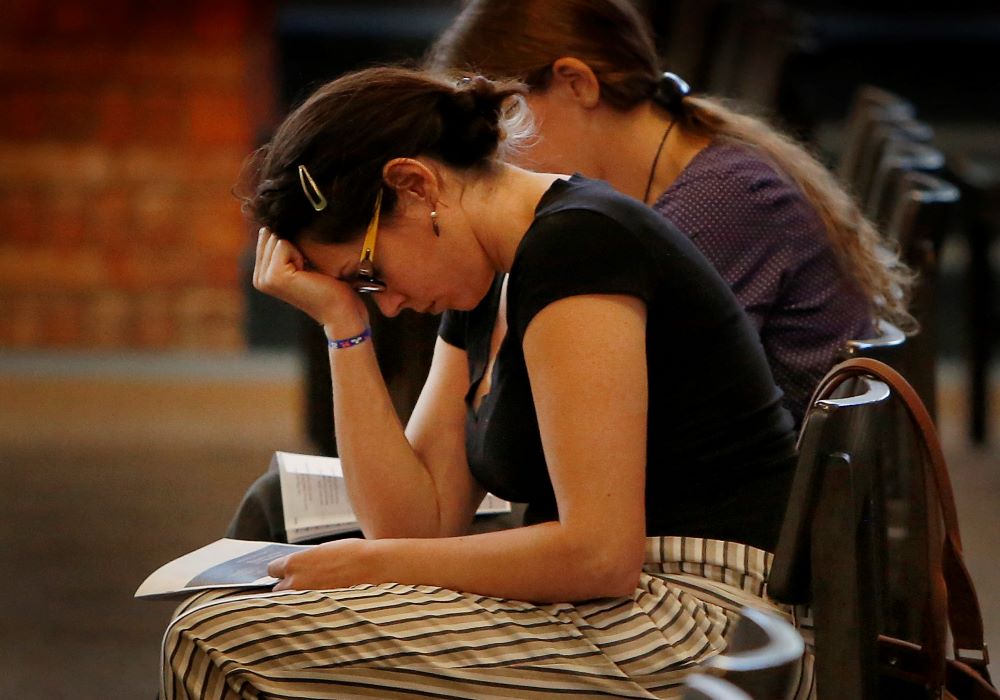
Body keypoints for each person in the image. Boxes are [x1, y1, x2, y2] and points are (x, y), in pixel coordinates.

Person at [160, 66, 814, 698]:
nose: (385, 304)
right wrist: (341, 323)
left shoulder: (577, 246)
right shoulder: (490, 276)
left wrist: (371, 567)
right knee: (241, 620)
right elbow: (415, 522)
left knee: (214, 639)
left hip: (704, 614)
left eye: (368, 273)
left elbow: (598, 553)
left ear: (415, 186)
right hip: (631, 597)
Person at [425, 0, 914, 426]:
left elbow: (616, 409)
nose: (493, 158)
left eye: (499, 123)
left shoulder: (723, 200)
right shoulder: (687, 178)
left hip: (769, 519)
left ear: (576, 83)